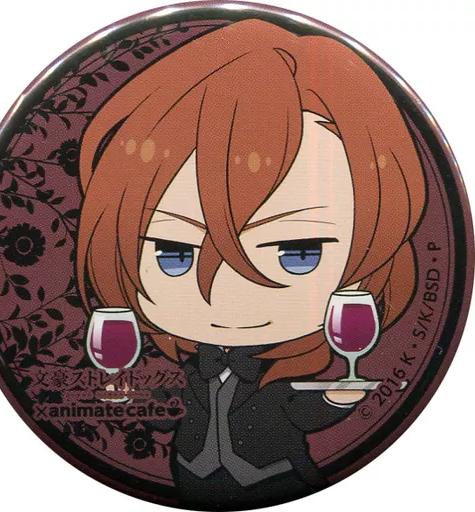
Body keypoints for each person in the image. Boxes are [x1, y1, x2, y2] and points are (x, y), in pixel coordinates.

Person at [76, 19, 426, 509]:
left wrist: (335, 399)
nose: (224, 293)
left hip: (279, 477)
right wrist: (128, 401)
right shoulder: (194, 372)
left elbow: (301, 412)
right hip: (190, 476)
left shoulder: (274, 387)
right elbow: (171, 411)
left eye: (298, 253)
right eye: (173, 254)